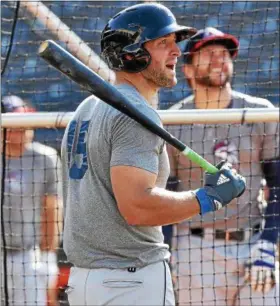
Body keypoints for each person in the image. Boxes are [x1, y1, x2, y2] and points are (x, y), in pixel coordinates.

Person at [61, 4, 246, 306]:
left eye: (176, 43)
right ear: (133, 53)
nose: (176, 51)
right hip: (130, 281)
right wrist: (207, 197)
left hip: (85, 282)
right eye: (164, 43)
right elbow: (137, 207)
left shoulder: (86, 108)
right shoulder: (136, 114)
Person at [167, 27, 279, 306]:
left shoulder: (260, 112)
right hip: (195, 249)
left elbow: (278, 184)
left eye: (224, 53)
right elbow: (166, 194)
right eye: (208, 53)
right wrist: (166, 253)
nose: (219, 59)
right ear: (189, 70)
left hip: (253, 244)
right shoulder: (172, 122)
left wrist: (269, 241)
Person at [1, 95, 63, 306]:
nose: (23, 127)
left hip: (27, 256)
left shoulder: (46, 157)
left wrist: (48, 256)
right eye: (16, 122)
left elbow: (52, 208)